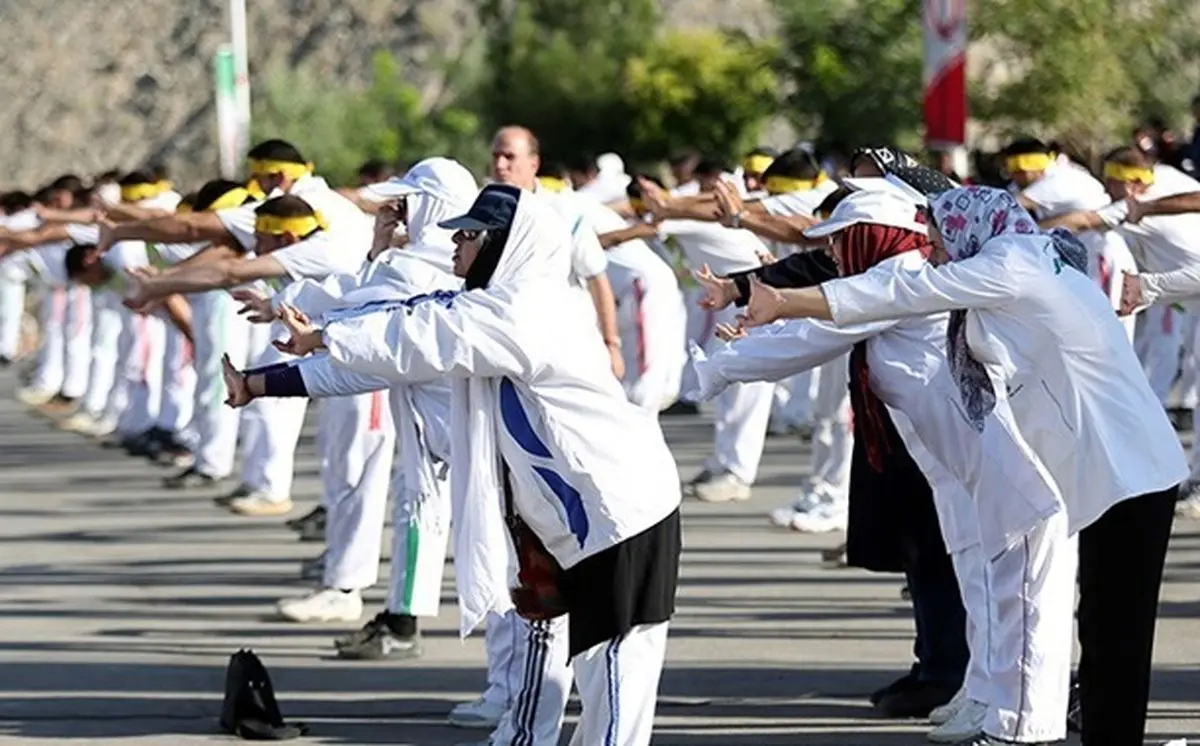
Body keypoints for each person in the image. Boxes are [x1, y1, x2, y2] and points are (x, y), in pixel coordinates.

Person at [223, 183, 683, 746]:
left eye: (468, 234)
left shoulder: (526, 310)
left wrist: (320, 336)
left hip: (620, 514)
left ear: (506, 244)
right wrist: (266, 379)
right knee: (586, 667)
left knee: (614, 683)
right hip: (569, 516)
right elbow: (404, 326)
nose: (455, 245)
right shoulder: (493, 303)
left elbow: (418, 337)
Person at [741, 184, 1186, 746]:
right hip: (1110, 465)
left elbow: (909, 292)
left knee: (1114, 628)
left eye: (938, 238)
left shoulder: (1012, 264)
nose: (934, 249)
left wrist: (784, 301)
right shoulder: (1032, 256)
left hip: (1129, 469)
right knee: (1104, 627)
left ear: (969, 229)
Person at [694, 187, 1078, 744]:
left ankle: (1008, 713)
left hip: (989, 461)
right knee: (979, 583)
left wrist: (716, 369)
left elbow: (813, 335)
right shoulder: (888, 276)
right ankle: (983, 693)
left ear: (869, 237)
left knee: (1004, 588)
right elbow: (815, 319)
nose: (837, 253)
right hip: (958, 466)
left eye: (844, 240)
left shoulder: (892, 278)